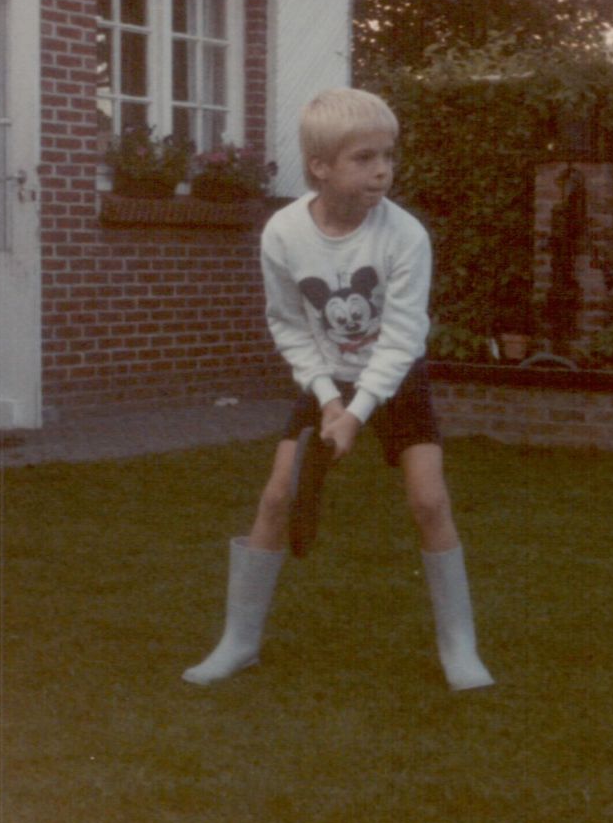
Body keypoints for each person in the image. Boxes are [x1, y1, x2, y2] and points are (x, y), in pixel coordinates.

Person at [182, 88, 494, 692]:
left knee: (429, 502)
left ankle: (461, 648)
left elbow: (402, 339)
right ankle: (238, 643)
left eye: (388, 156)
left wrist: (358, 413)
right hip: (327, 380)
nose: (382, 170)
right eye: (364, 158)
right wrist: (328, 398)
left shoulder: (406, 236)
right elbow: (289, 325)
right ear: (320, 167)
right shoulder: (283, 233)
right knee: (277, 499)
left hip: (395, 380)